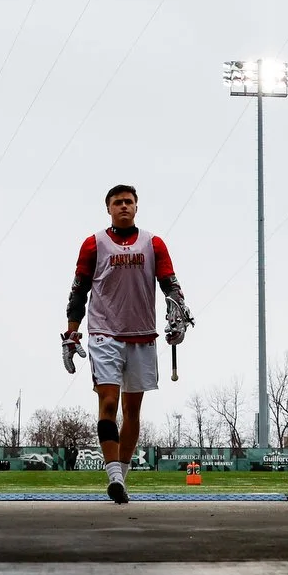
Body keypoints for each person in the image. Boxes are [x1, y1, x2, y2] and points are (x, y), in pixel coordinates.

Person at [61, 184, 192, 504]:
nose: (123, 206)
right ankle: (113, 476)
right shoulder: (93, 244)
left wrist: (178, 316)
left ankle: (122, 474)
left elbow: (170, 284)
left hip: (142, 335)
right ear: (108, 208)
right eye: (117, 202)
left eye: (128, 202)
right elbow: (78, 291)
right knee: (108, 403)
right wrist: (72, 332)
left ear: (136, 207)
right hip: (104, 333)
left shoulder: (153, 243)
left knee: (132, 411)